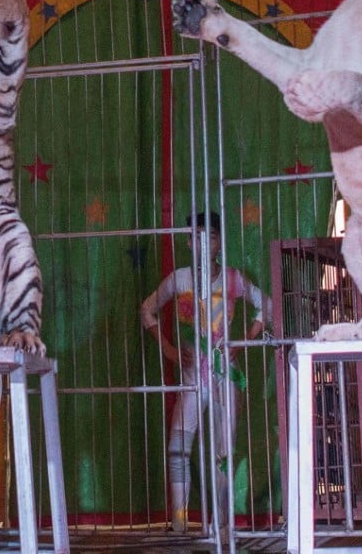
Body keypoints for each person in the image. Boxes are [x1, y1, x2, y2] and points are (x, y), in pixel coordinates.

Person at [139, 211, 269, 535]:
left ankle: (221, 527)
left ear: (218, 242)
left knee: (224, 453)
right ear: (187, 241)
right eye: (195, 237)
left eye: (209, 237)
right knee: (178, 448)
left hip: (227, 376)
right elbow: (147, 310)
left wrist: (243, 341)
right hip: (191, 379)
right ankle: (180, 522)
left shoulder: (233, 278)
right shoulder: (178, 279)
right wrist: (168, 349)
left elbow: (265, 306)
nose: (201, 243)